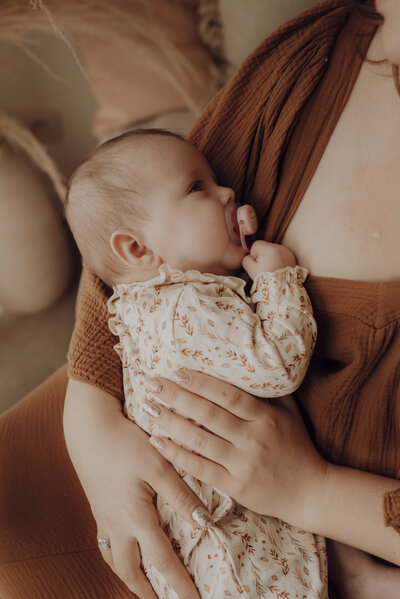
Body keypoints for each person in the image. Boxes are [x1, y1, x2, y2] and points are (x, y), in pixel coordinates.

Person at [0, 1, 399, 598]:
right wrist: (89, 419)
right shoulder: (314, 55)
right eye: (202, 186)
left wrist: (315, 494)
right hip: (150, 482)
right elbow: (128, 245)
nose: (229, 190)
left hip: (261, 536)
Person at [64, 128, 325, 598]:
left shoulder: (138, 307)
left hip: (200, 540)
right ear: (137, 249)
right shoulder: (187, 306)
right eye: (196, 187)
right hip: (232, 545)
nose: (227, 191)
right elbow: (277, 365)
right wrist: (278, 278)